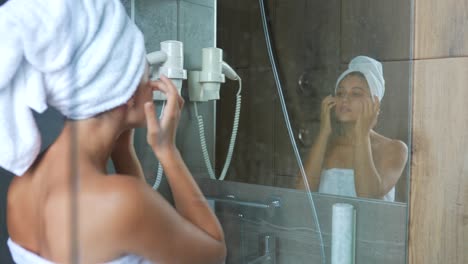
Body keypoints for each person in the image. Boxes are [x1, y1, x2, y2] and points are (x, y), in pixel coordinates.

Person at [0, 0, 226, 263]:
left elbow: (135, 237)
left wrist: (123, 150)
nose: (151, 80)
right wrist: (168, 152)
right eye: (143, 69)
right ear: (124, 89)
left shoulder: (22, 187)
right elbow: (214, 253)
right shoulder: (122, 202)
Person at [297, 56, 408, 201]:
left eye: (355, 93)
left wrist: (362, 135)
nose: (344, 99)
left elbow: (368, 197)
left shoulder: (394, 149)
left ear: (375, 103)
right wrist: (324, 133)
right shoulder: (326, 147)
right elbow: (301, 195)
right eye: (340, 93)